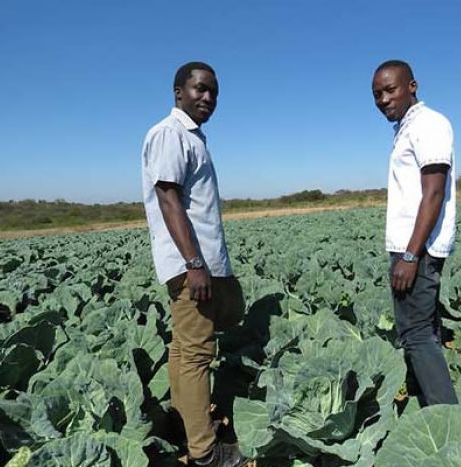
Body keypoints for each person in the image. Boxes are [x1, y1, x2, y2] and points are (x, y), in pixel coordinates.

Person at [141, 61, 249, 467]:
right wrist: (194, 263)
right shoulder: (170, 134)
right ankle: (205, 451)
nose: (207, 98)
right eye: (200, 89)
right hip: (190, 266)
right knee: (196, 354)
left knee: (184, 351)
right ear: (178, 92)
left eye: (213, 92)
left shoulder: (191, 138)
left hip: (198, 263)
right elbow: (168, 199)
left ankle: (184, 425)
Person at [371, 60, 459, 406]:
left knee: (417, 334)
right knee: (425, 329)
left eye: (390, 89)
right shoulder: (407, 127)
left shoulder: (429, 124)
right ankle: (430, 402)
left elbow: (433, 192)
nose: (383, 99)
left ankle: (446, 418)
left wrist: (410, 255)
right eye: (377, 94)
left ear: (412, 86)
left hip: (416, 250)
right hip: (412, 247)